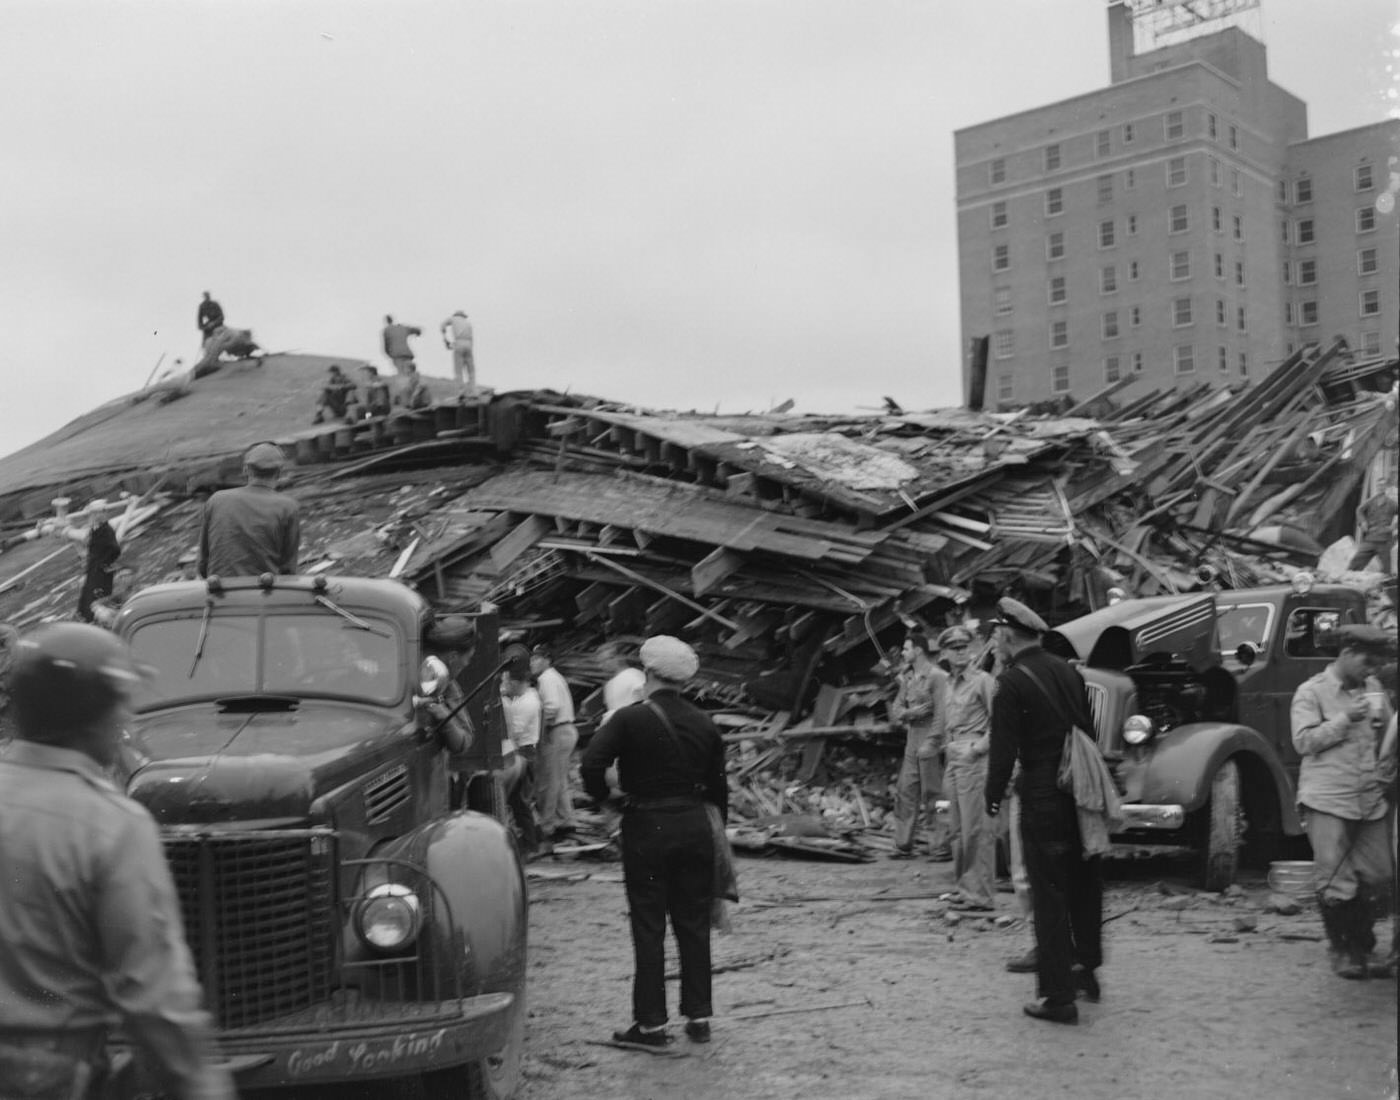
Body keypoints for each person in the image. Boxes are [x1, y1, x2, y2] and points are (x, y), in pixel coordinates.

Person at [0, 623, 235, 1100]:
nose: (125, 715)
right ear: (90, 717)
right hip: (49, 1075)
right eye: (118, 702)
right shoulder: (111, 826)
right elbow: (156, 1001)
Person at [580, 635, 726, 1047]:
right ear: (683, 681)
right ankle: (699, 1018)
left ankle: (652, 1025)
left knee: (649, 927)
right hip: (696, 825)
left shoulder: (629, 719)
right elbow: (719, 789)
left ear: (648, 675)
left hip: (647, 825)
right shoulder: (705, 722)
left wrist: (606, 798)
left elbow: (592, 763)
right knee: (694, 925)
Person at [985, 597, 1102, 1025]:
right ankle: (1085, 970)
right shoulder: (1070, 673)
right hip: (1078, 792)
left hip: (1041, 796)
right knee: (1084, 881)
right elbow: (1088, 730)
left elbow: (1003, 752)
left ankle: (1057, 998)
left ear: (1008, 636)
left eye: (996, 635)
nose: (994, 642)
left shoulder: (1011, 682)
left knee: (1049, 892)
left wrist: (992, 799)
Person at [1289, 623, 1396, 979]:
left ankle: (1362, 942)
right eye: (1368, 661)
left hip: (1369, 798)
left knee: (1380, 873)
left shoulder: (1374, 687)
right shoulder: (1311, 692)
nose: (1373, 669)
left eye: (1378, 663)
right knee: (1335, 876)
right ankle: (1346, 950)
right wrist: (1343, 720)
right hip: (1328, 797)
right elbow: (1303, 743)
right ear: (1347, 653)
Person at [938, 625, 998, 911]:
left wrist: (978, 749)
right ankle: (964, 888)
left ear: (972, 649)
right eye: (954, 648)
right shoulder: (948, 684)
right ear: (945, 653)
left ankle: (982, 894)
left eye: (965, 647)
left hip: (974, 758)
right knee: (957, 830)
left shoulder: (983, 681)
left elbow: (1000, 722)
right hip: (953, 755)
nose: (961, 652)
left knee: (977, 829)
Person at [888, 631, 950, 861]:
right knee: (905, 792)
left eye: (906, 649)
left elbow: (943, 714)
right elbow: (895, 711)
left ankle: (941, 846)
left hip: (930, 740)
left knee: (937, 796)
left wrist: (934, 742)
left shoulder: (937, 677)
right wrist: (910, 712)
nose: (903, 653)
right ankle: (903, 844)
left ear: (919, 650)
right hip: (912, 740)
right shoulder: (908, 678)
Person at [197, 442, 300, 578]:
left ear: (246, 470)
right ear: (279, 472)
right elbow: (288, 568)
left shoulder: (216, 500)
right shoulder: (288, 506)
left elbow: (203, 561)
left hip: (220, 590)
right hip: (265, 591)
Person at [531, 644, 578, 838]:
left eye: (536, 659)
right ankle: (567, 821)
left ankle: (547, 826)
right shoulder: (553, 677)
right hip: (565, 730)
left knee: (550, 781)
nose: (532, 663)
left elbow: (551, 708)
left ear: (547, 660)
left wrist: (538, 732)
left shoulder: (546, 678)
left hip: (556, 731)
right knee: (558, 780)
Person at [499, 669, 543, 857]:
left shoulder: (527, 702)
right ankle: (531, 841)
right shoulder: (522, 698)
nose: (505, 686)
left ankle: (531, 843)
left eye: (507, 682)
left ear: (516, 683)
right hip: (520, 751)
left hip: (524, 751)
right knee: (519, 801)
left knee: (521, 801)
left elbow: (514, 730)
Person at [1347, 485, 1398, 572]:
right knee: (1354, 565)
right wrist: (1363, 522)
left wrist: (1394, 527)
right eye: (1379, 487)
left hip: (1384, 541)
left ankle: (1386, 582)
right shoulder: (1371, 501)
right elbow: (1359, 510)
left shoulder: (1393, 504)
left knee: (1386, 570)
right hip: (1370, 539)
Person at [599, 640, 646, 725]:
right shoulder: (608, 684)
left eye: (604, 660)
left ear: (617, 657)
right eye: (600, 662)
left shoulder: (634, 675)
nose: (601, 665)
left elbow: (646, 703)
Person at [440, 309, 476, 396]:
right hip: (469, 345)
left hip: (459, 343)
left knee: (458, 370)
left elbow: (442, 325)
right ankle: (473, 391)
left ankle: (461, 391)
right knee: (471, 370)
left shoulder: (453, 319)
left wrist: (445, 337)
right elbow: (471, 339)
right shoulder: (468, 323)